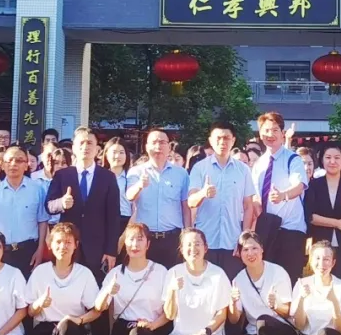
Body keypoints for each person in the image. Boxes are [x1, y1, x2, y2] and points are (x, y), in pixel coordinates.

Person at [25, 223, 101, 335]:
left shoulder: (84, 273)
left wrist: (79, 320)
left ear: (75, 245)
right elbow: (30, 312)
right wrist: (39, 304)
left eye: (68, 242)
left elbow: (96, 310)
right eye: (58, 242)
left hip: (72, 327)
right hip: (46, 327)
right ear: (50, 245)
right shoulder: (40, 272)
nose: (63, 246)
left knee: (67, 326)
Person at [95, 223, 170, 335]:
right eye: (131, 239)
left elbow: (170, 311)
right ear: (125, 244)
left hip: (152, 328)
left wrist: (153, 325)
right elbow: (99, 306)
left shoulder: (160, 271)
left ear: (148, 244)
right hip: (124, 327)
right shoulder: (115, 273)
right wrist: (108, 292)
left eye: (140, 239)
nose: (135, 244)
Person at [225, 231, 296, 335]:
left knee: (263, 321)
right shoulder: (238, 279)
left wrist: (275, 305)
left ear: (262, 249)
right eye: (245, 250)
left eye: (254, 248)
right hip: (256, 334)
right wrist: (233, 303)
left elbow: (288, 311)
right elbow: (234, 319)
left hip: (281, 331)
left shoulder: (277, 272)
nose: (250, 253)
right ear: (239, 254)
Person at [45, 127, 122, 280]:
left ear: (97, 149)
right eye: (81, 143)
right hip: (67, 245)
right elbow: (49, 206)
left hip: (97, 247)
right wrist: (62, 203)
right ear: (74, 147)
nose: (85, 147)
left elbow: (113, 216)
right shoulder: (62, 175)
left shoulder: (107, 177)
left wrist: (111, 250)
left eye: (90, 143)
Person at [161, 228, 230, 335]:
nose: (193, 249)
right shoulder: (173, 273)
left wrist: (205, 332)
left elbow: (222, 314)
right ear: (181, 249)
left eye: (197, 244)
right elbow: (169, 315)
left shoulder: (218, 274)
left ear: (205, 248)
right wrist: (172, 290)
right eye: (189, 245)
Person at [187, 121, 256, 279]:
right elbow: (191, 202)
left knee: (231, 285)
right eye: (218, 138)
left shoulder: (243, 170)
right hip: (206, 242)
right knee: (205, 285)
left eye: (226, 138)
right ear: (210, 140)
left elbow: (248, 207)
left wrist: (244, 239)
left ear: (233, 140)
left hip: (232, 241)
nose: (222, 142)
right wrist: (203, 193)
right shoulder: (200, 168)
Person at [249, 112, 308, 287]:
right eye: (266, 130)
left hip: (291, 229)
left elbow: (300, 185)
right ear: (260, 134)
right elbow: (255, 195)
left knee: (290, 280)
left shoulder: (293, 159)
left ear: (283, 133)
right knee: (267, 280)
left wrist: (283, 195)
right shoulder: (258, 164)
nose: (271, 134)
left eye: (275, 130)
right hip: (267, 229)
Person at [0, 145, 48, 277]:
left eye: (19, 160)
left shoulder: (37, 189)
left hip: (28, 250)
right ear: (3, 165)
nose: (13, 164)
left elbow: (42, 221)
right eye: (9, 160)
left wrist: (40, 249)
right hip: (1, 250)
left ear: (26, 165)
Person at [127, 129, 190, 267]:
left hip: (172, 238)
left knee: (173, 276)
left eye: (162, 142)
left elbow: (185, 207)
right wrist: (139, 185)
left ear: (169, 147)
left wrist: (187, 233)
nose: (158, 146)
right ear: (146, 146)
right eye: (154, 142)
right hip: (145, 238)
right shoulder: (136, 171)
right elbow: (130, 196)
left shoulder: (181, 174)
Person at [304, 142, 341, 281]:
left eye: (337, 157)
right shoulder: (314, 184)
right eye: (328, 157)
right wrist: (337, 223)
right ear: (322, 160)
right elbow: (310, 217)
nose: (332, 161)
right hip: (321, 243)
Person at [101, 137, 132, 233]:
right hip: (104, 220)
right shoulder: (100, 176)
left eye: (121, 152)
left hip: (126, 220)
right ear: (106, 154)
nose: (117, 156)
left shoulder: (132, 176)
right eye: (114, 152)